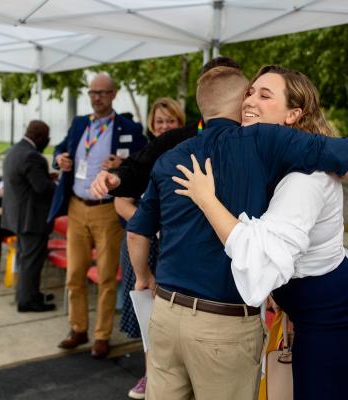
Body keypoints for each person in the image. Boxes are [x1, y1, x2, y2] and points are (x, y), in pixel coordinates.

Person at [126, 65, 348, 400]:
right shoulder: (259, 153)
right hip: (278, 314)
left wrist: (206, 199)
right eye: (249, 91)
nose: (250, 100)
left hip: (325, 316)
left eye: (263, 94)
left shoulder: (301, 178)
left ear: (293, 114)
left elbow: (259, 259)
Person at [48, 73, 147, 359]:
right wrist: (59, 158)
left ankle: (102, 335)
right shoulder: (80, 123)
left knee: (105, 276)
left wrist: (123, 163)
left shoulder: (129, 127)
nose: (97, 97)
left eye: (103, 93)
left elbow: (145, 160)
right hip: (77, 207)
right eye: (93, 93)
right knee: (75, 273)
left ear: (114, 94)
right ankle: (78, 328)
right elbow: (60, 147)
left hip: (107, 209)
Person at [90, 57, 243, 200]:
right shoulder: (175, 139)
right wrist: (116, 178)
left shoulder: (257, 137)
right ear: (200, 92)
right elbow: (139, 167)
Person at [115, 97, 185, 399]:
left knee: (174, 317)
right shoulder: (141, 159)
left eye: (170, 121)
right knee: (147, 314)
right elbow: (120, 201)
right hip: (144, 245)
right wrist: (150, 224)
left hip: (176, 246)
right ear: (152, 126)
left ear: (179, 124)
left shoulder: (189, 154)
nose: (165, 126)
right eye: (160, 122)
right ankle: (149, 374)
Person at [1, 120, 56, 313]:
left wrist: (47, 177)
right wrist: (59, 187)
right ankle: (27, 302)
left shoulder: (15, 150)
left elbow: (28, 180)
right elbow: (41, 188)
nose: (47, 142)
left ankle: (28, 294)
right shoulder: (33, 156)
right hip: (31, 219)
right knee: (32, 261)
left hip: (17, 216)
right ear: (40, 137)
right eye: (47, 139)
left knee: (26, 259)